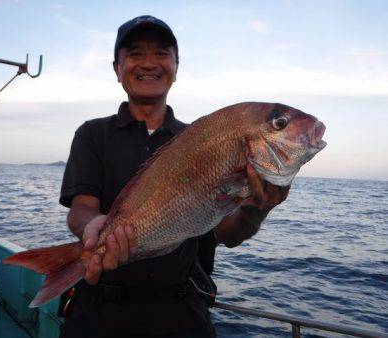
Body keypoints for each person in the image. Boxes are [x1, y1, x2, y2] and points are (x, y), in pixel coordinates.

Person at [58, 15, 289, 338]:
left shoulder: (201, 140)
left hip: (181, 311)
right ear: (116, 68)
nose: (149, 63)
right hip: (99, 307)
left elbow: (228, 233)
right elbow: (81, 208)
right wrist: (92, 228)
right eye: (135, 53)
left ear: (177, 66)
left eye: (162, 53)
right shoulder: (93, 134)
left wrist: (257, 207)